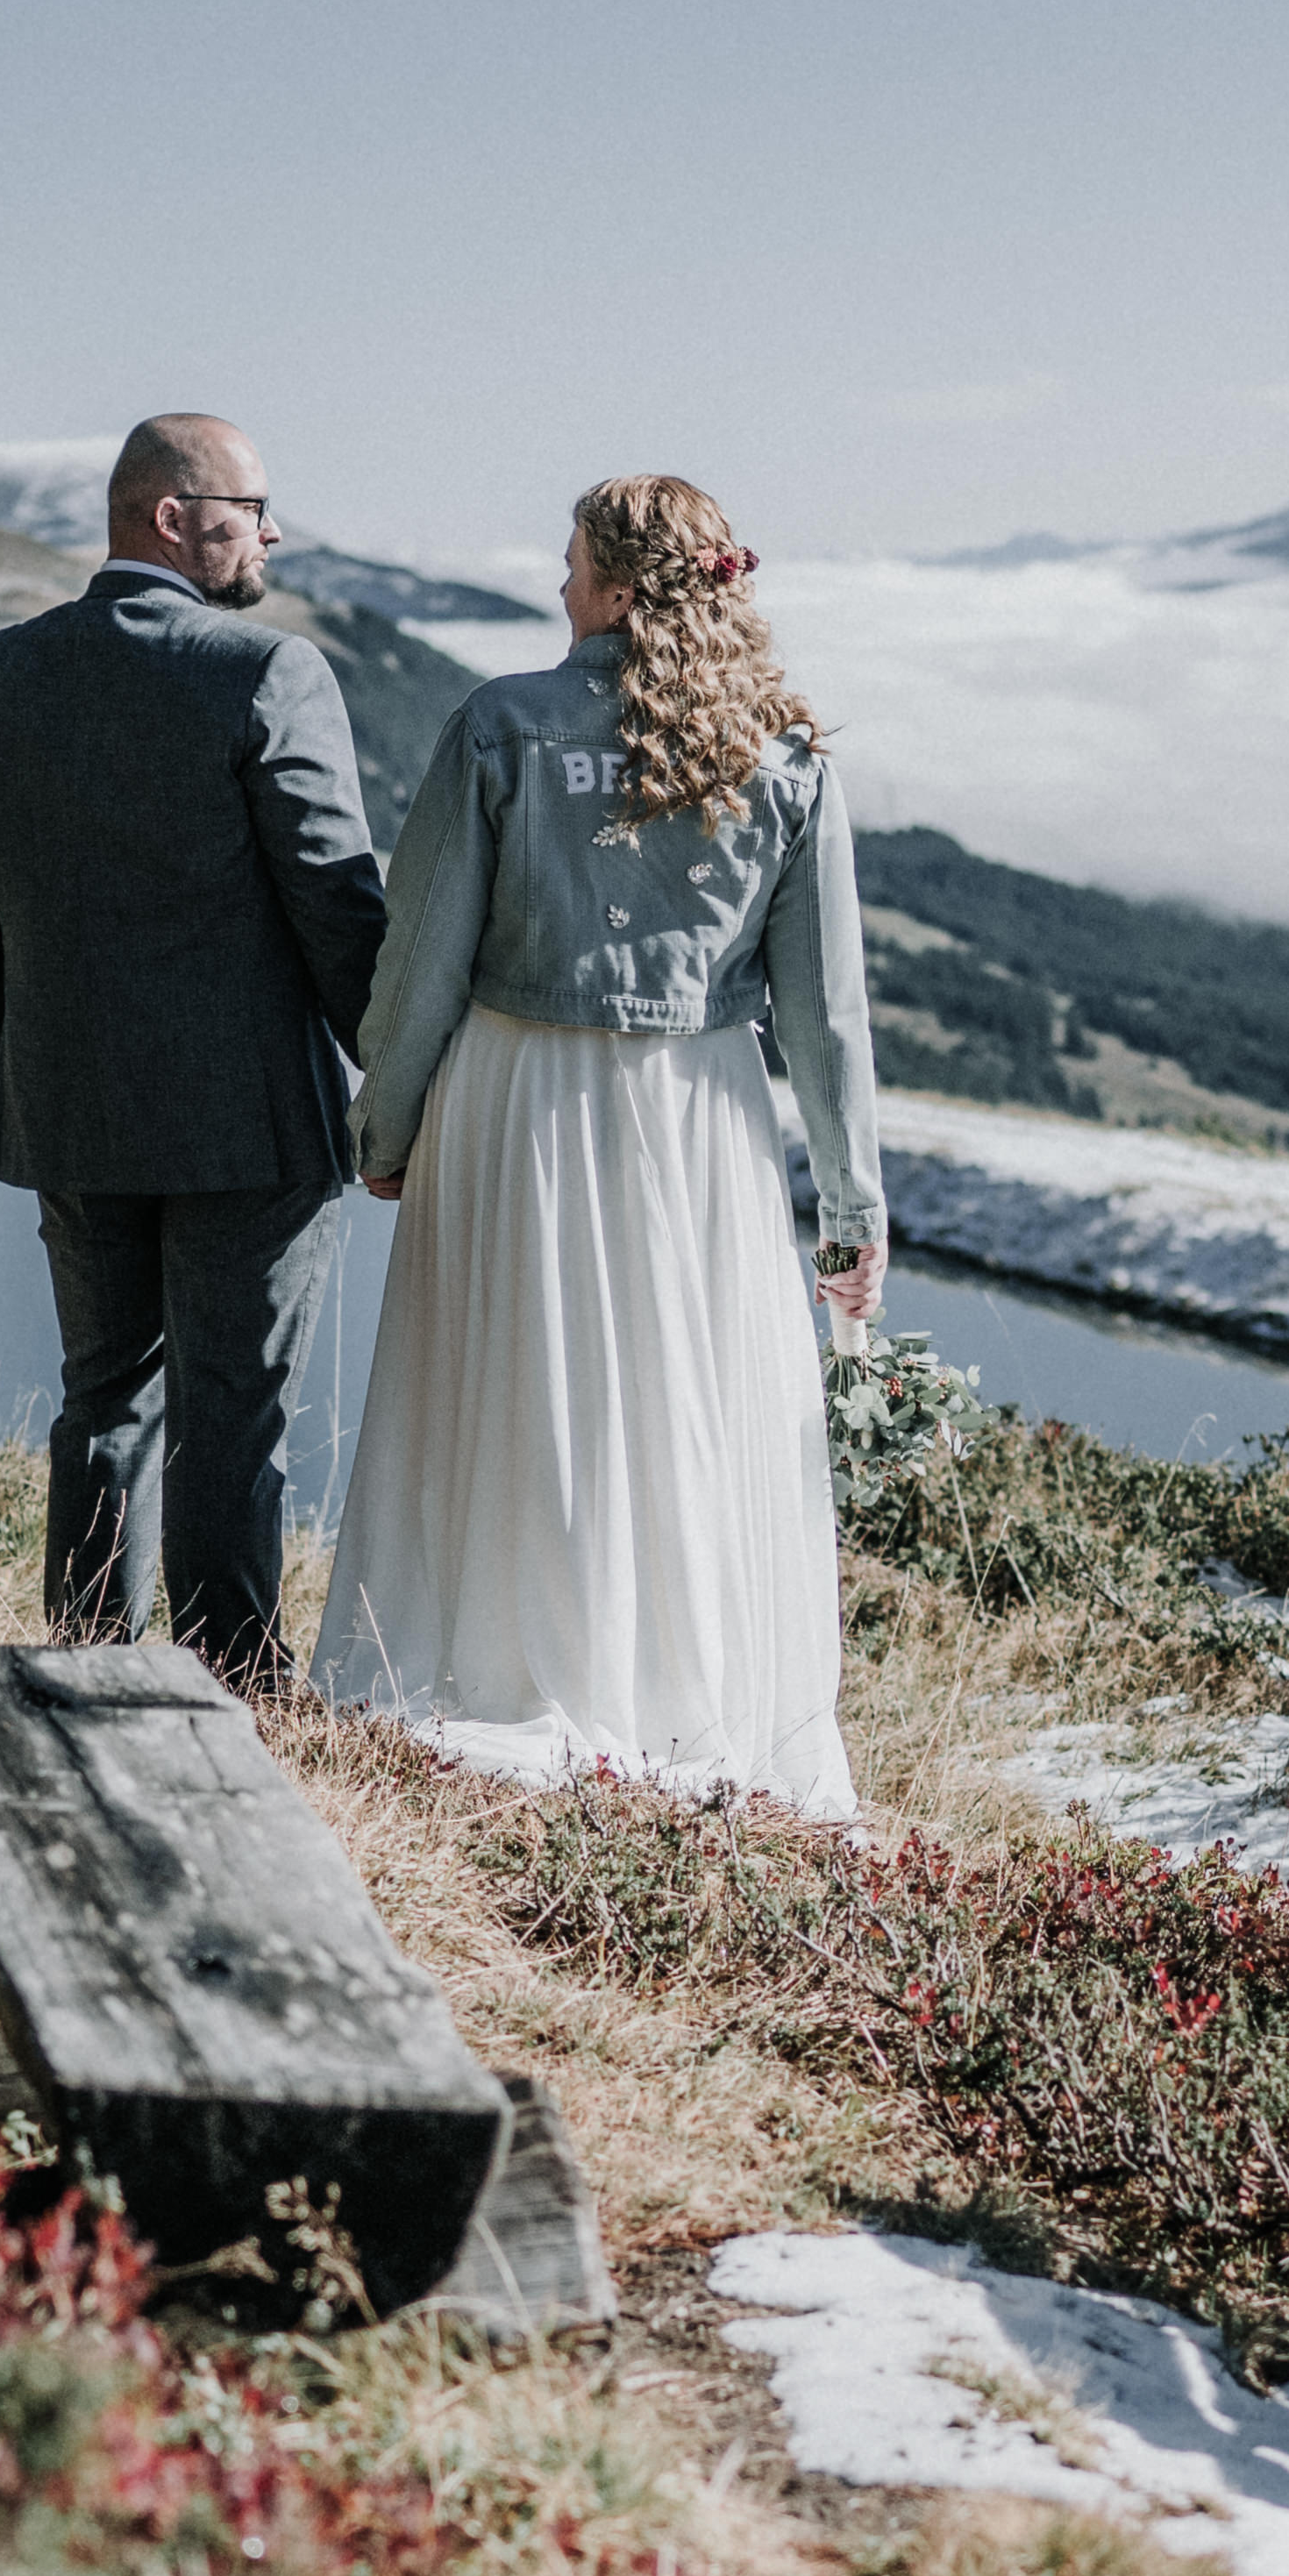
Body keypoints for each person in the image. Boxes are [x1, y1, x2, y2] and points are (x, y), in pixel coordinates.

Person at [323, 472, 883, 1811]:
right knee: (685, 1396)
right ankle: (677, 1696)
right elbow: (827, 1015)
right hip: (704, 1116)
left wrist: (384, 1128)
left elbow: (421, 961)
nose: (559, 586)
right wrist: (852, 1209)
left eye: (574, 564)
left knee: (517, 1381)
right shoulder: (789, 757)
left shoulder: (500, 725)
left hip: (518, 1097)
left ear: (622, 589)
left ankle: (502, 1660)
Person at [0, 410, 388, 1678]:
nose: (273, 534)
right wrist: (398, 1085)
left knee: (103, 1403)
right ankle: (233, 1694)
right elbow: (338, 905)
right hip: (252, 1123)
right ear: (174, 517)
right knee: (232, 1420)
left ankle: (88, 1670)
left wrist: (22, 1063)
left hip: (70, 1107)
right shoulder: (268, 672)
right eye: (253, 510)